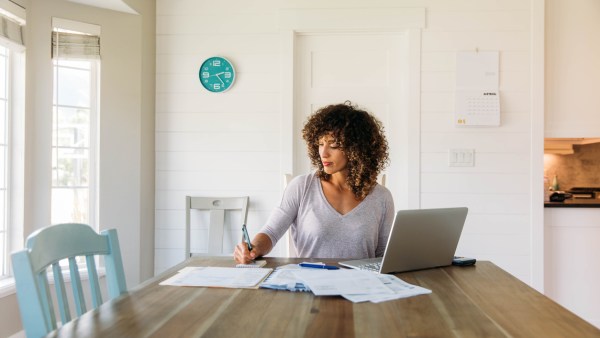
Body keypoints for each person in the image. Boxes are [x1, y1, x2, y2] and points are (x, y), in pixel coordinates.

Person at [234, 101, 395, 264]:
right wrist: (252, 248)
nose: (323, 153)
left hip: (361, 286)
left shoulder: (381, 197)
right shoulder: (302, 187)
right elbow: (270, 232)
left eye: (334, 145)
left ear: (357, 149)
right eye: (320, 144)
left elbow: (383, 256)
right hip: (309, 283)